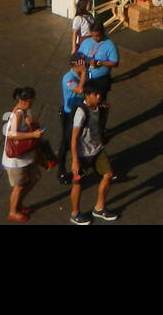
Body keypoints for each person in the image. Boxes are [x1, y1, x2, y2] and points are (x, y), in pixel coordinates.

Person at [69, 80, 119, 224]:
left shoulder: (98, 107)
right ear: (87, 95)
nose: (99, 97)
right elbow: (73, 138)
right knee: (78, 183)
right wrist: (75, 161)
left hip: (97, 150)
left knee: (108, 174)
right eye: (95, 94)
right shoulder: (81, 113)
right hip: (82, 154)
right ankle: (75, 213)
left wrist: (105, 112)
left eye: (100, 94)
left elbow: (100, 126)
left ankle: (99, 208)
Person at [3, 86, 46, 222]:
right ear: (27, 100)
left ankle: (18, 204)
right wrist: (32, 134)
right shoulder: (18, 114)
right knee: (19, 186)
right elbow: (11, 134)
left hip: (26, 156)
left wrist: (33, 124)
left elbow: (34, 124)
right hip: (16, 160)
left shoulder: (26, 111)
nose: (34, 102)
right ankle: (13, 211)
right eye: (32, 99)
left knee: (35, 177)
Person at [83, 25, 120, 135]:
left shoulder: (110, 45)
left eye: (97, 36)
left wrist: (101, 63)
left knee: (100, 105)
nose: (95, 38)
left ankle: (100, 129)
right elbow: (79, 56)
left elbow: (115, 63)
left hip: (101, 80)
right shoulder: (86, 42)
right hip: (87, 78)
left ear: (103, 33)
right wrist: (88, 60)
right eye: (93, 35)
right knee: (86, 103)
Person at [59, 53, 88, 184]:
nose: (85, 64)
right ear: (76, 64)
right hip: (69, 114)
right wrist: (84, 74)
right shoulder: (68, 78)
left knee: (81, 139)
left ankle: (80, 165)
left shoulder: (80, 75)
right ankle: (61, 170)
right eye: (82, 62)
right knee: (67, 142)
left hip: (80, 111)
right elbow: (80, 90)